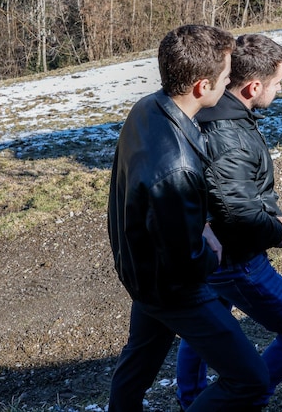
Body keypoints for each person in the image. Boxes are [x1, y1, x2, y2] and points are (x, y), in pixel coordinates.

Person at [107, 25, 269, 411]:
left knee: (136, 370)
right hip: (174, 290)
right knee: (251, 381)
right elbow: (187, 261)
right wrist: (210, 248)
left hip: (141, 273)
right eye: (226, 76)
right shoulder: (176, 167)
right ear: (201, 86)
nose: (231, 81)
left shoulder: (147, 107)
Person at [176, 34, 282, 409]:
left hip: (211, 251)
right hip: (238, 260)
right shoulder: (230, 135)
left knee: (206, 329)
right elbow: (237, 211)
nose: (280, 89)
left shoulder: (218, 111)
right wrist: (277, 229)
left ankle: (194, 400)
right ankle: (246, 398)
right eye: (278, 83)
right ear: (254, 86)